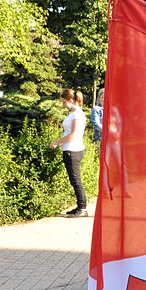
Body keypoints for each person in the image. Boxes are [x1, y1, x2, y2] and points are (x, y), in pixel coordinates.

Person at [50, 88, 89, 217]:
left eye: (64, 102)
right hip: (70, 149)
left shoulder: (77, 115)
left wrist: (57, 142)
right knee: (74, 179)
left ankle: (82, 208)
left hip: (73, 149)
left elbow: (73, 135)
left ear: (71, 100)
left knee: (76, 180)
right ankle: (79, 206)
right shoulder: (73, 114)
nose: (63, 105)